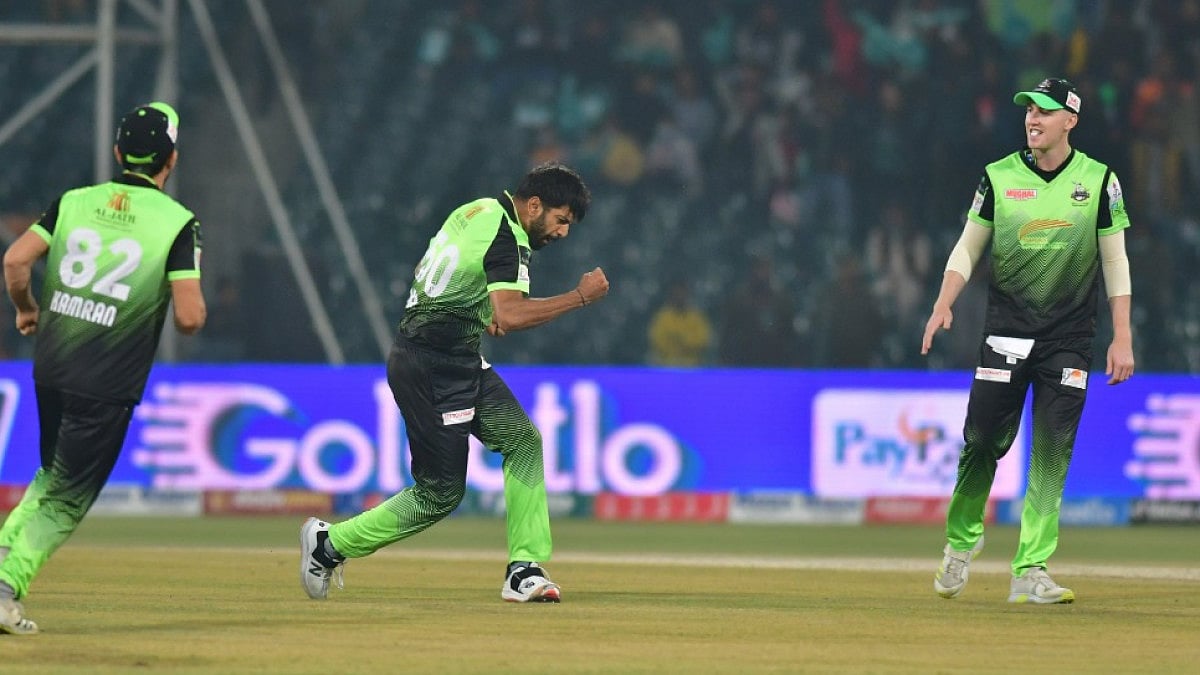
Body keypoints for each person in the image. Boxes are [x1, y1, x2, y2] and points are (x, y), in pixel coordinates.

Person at [300, 162, 607, 604]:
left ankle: (525, 568)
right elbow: (511, 314)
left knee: (524, 441)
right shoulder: (509, 240)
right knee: (439, 494)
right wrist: (580, 297)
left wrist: (480, 313)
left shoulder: (479, 209)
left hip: (453, 357)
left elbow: (449, 275)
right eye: (561, 221)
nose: (562, 234)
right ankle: (329, 546)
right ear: (534, 206)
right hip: (430, 369)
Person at [921, 78, 1135, 605]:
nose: (1032, 119)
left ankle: (1030, 569)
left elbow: (1115, 262)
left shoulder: (1099, 181)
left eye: (1044, 111)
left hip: (1069, 339)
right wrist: (943, 301)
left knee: (1051, 454)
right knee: (983, 445)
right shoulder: (998, 177)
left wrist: (1122, 335)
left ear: (1070, 121)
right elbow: (967, 248)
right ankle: (959, 544)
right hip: (1006, 337)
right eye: (1028, 112)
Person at [0, 102, 206, 634]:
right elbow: (188, 318)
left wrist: (26, 309)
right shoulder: (178, 224)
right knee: (66, 500)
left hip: (51, 367)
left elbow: (15, 260)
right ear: (172, 160)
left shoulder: (73, 201)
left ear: (119, 152)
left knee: (49, 478)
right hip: (105, 382)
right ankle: (7, 589)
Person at [647, 278, 712, 367]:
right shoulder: (662, 317)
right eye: (676, 293)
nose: (679, 296)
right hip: (667, 367)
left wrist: (681, 339)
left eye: (682, 293)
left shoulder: (696, 318)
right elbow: (656, 340)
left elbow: (702, 340)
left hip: (692, 367)